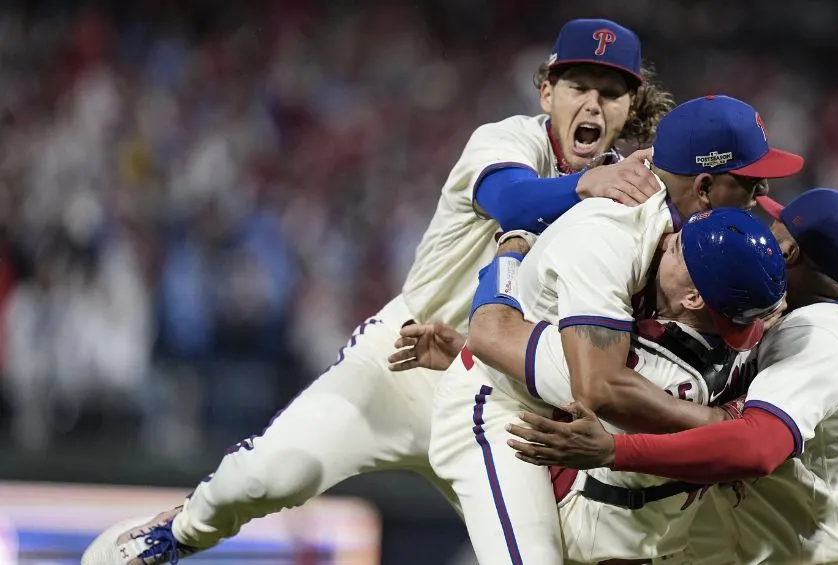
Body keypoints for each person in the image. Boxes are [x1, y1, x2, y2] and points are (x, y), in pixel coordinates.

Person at [81, 18, 675, 565]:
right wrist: (589, 184)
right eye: (578, 85)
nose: (592, 102)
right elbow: (515, 202)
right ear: (546, 90)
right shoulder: (508, 140)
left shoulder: (627, 198)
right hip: (401, 364)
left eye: (611, 92)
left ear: (628, 109)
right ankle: (180, 530)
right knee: (275, 475)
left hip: (501, 399)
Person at [508, 189, 838, 565]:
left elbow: (757, 447)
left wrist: (615, 451)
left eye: (775, 226)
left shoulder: (817, 336)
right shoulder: (776, 320)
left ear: (789, 251)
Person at [429, 191, 789, 564]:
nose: (666, 242)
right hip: (658, 540)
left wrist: (511, 250)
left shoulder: (639, 369)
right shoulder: (753, 347)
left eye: (679, 249)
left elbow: (492, 333)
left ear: (695, 298)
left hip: (592, 539)